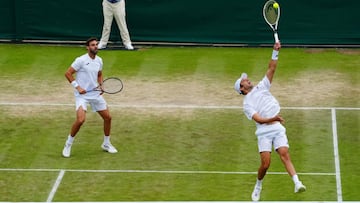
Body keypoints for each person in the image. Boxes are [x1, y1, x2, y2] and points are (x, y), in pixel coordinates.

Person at [234, 41, 306, 201]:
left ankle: (297, 182)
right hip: (264, 132)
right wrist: (274, 118)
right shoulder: (247, 104)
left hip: (277, 127)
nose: (247, 80)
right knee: (266, 164)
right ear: (242, 89)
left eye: (246, 79)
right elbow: (259, 119)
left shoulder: (262, 86)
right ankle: (258, 185)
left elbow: (271, 68)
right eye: (244, 81)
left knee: (284, 154)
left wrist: (275, 52)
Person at [62, 37, 118, 158]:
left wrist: (101, 85)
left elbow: (99, 74)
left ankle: (106, 144)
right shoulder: (80, 60)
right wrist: (77, 87)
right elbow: (68, 73)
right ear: (87, 47)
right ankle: (68, 144)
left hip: (95, 94)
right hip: (82, 96)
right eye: (92, 45)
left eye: (96, 44)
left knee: (108, 118)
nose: (95, 46)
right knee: (81, 120)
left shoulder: (99, 60)